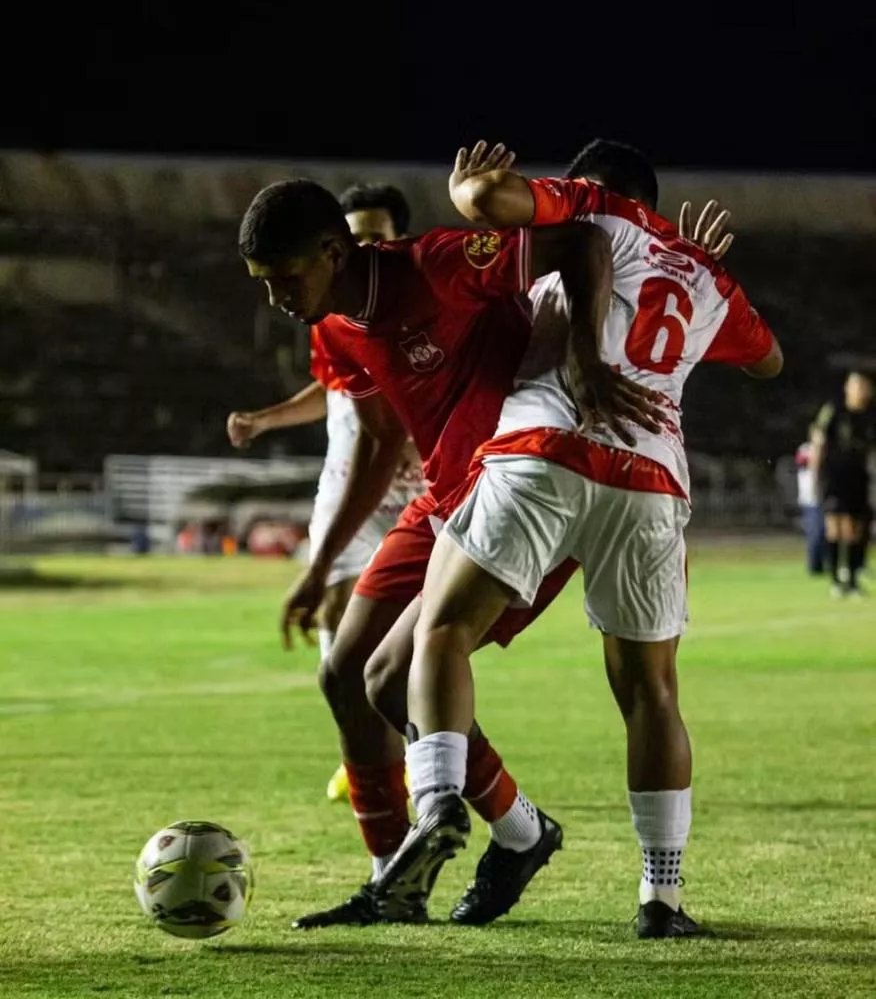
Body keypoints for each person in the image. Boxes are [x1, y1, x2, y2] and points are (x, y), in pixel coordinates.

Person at [371, 140, 782, 939]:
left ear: (595, 186)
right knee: (651, 694)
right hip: (650, 479)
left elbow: (497, 201)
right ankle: (661, 900)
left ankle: (440, 806)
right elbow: (768, 360)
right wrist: (696, 271)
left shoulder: (598, 211)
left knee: (442, 630)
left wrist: (466, 193)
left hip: (547, 449)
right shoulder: (705, 276)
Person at [238, 169, 666, 928]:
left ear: (335, 251)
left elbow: (583, 242)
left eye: (286, 275)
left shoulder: (437, 264)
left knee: (393, 675)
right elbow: (377, 446)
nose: (275, 297)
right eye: (262, 282)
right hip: (442, 496)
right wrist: (317, 568)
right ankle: (400, 874)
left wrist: (590, 358)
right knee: (345, 674)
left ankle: (512, 833)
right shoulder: (334, 326)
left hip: (522, 487)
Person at [227, 183, 424, 804]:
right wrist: (264, 419)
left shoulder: (425, 294)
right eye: (356, 231)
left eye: (376, 234)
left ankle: (425, 767)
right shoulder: (330, 321)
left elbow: (388, 433)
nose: (366, 243)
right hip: (351, 497)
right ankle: (372, 766)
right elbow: (337, 393)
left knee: (405, 653)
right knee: (341, 648)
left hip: (419, 500)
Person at [811, 371, 874, 597]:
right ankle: (837, 580)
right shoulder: (834, 412)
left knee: (857, 529)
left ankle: (853, 577)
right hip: (834, 476)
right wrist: (814, 474)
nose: (861, 391)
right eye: (856, 385)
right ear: (848, 388)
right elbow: (818, 442)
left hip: (859, 478)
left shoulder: (869, 415)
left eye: (864, 386)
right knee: (837, 527)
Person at [795, 432, 825, 575]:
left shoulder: (827, 449)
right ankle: (814, 566)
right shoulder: (805, 449)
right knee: (815, 533)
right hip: (811, 499)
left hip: (825, 498)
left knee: (826, 533)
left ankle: (826, 564)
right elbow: (810, 465)